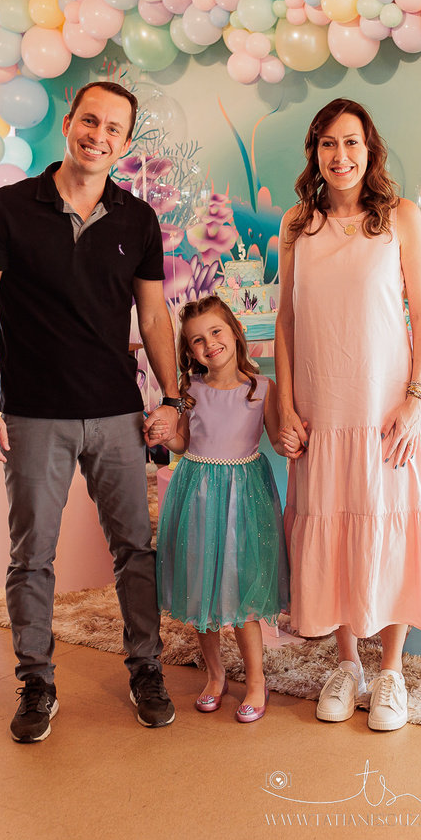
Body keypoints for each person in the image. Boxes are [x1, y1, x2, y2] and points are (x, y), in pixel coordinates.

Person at [0, 81, 185, 744]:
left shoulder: (137, 219)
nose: (99, 135)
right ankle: (36, 680)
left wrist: (173, 398)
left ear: (126, 142)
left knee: (135, 550)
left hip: (117, 413)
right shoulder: (8, 208)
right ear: (68, 123)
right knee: (32, 555)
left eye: (114, 128)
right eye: (91, 120)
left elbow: (153, 315)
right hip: (33, 415)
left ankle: (146, 668)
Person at [275, 98, 421, 732]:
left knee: (391, 522)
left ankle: (392, 671)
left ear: (369, 149)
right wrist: (286, 403)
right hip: (323, 405)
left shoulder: (401, 216)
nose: (340, 155)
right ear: (315, 152)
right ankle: (347, 664)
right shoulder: (297, 223)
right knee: (335, 523)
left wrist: (417, 399)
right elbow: (286, 320)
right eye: (328, 143)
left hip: (386, 407)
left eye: (351, 142)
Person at [155, 296, 290, 723]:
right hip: (197, 494)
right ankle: (215, 676)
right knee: (201, 589)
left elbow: (277, 438)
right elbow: (183, 443)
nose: (209, 343)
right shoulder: (190, 392)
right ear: (190, 351)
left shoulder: (261, 388)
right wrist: (164, 435)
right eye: (197, 340)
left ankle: (255, 681)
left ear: (234, 331)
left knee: (242, 589)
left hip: (243, 498)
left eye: (215, 332)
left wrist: (292, 439)